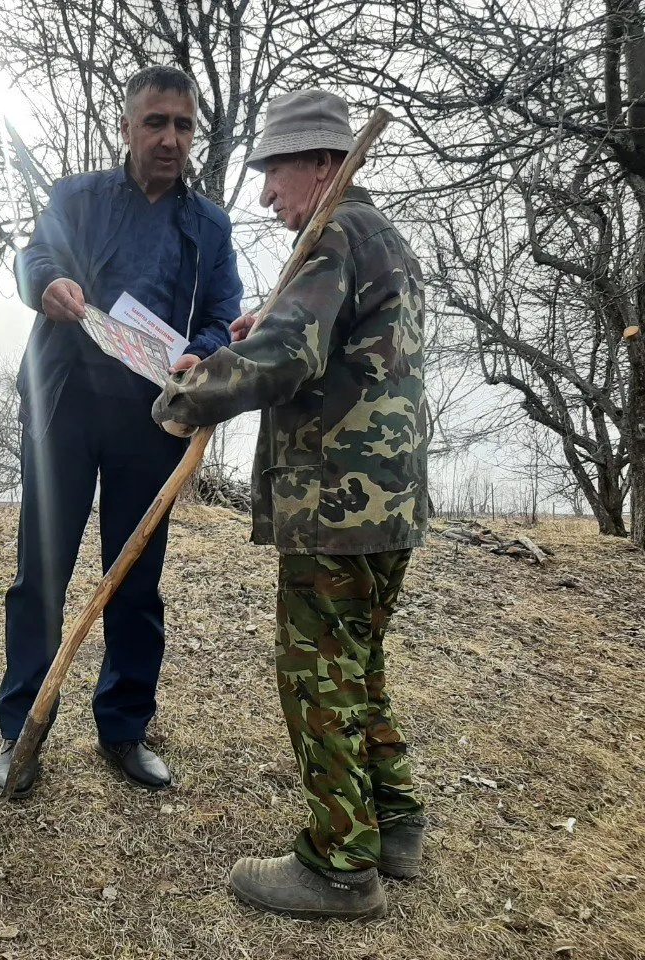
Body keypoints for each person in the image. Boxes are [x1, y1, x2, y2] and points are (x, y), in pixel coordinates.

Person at [151, 90, 429, 920]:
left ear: (322, 164)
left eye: (276, 171)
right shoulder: (379, 237)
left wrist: (188, 393)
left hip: (337, 503)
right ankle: (395, 822)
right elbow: (325, 343)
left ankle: (340, 867)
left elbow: (287, 357)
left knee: (317, 679)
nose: (268, 193)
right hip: (386, 501)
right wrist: (268, 323)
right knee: (357, 667)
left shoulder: (337, 233)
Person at [0, 65, 243, 794]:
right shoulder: (77, 197)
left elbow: (222, 312)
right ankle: (21, 733)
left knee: (135, 579)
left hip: (153, 418)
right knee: (41, 576)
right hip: (64, 407)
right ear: (127, 127)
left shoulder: (210, 225)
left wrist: (202, 351)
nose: (170, 138)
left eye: (184, 125)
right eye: (155, 122)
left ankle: (125, 728)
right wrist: (46, 284)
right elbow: (34, 256)